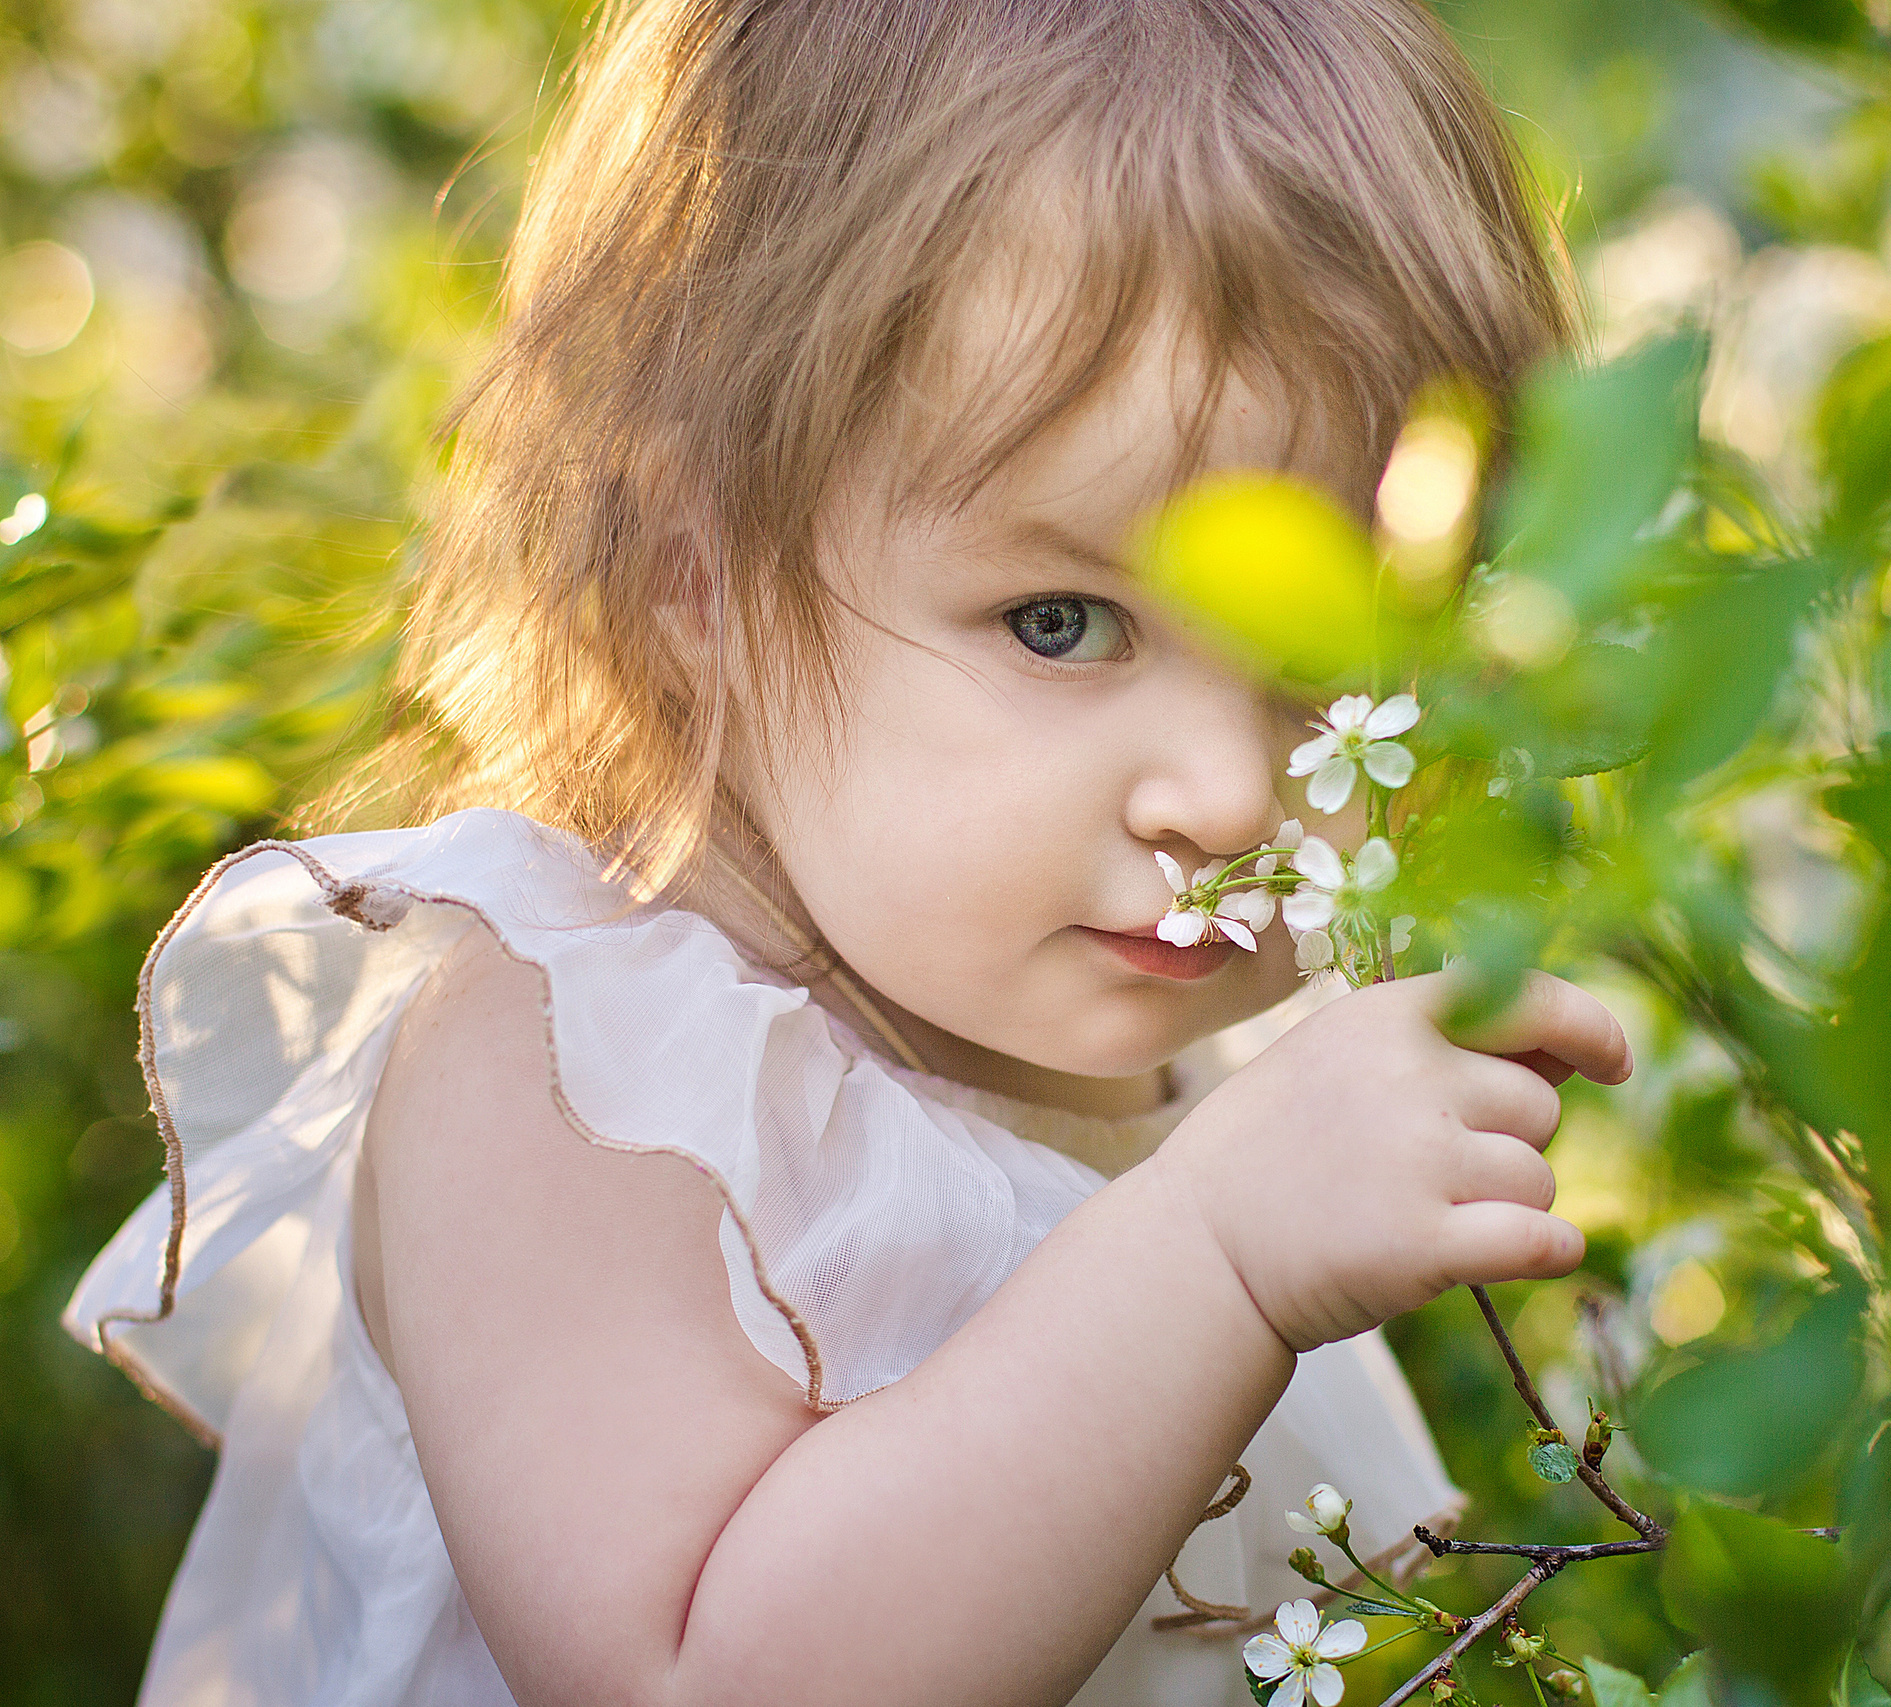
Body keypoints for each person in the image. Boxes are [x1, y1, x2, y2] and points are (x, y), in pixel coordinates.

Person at [64, 2, 1631, 1702]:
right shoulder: (579, 1068)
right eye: (1059, 621)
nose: (1228, 796)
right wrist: (1218, 1256)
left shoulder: (1174, 1076)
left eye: (1331, 651)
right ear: (695, 581)